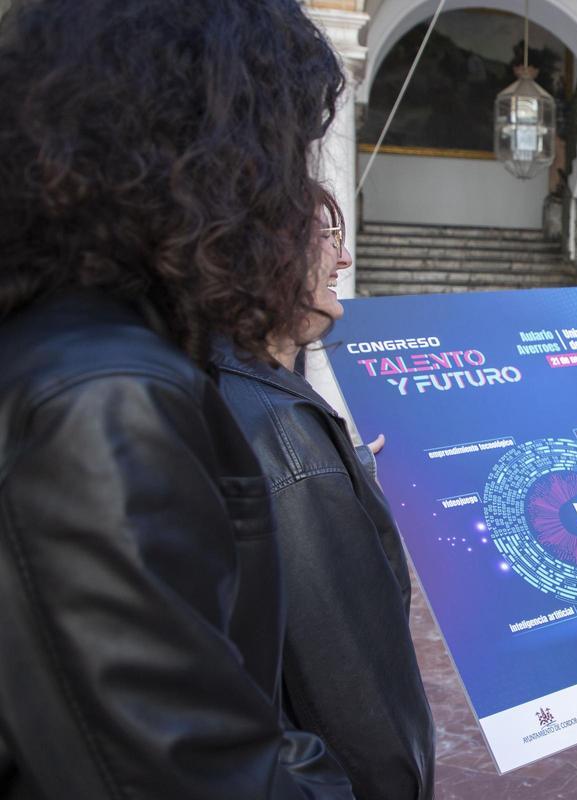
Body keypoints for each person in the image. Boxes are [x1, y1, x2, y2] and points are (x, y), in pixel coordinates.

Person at [0, 1, 356, 797]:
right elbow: (193, 768)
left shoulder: (70, 346)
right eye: (285, 152)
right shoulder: (108, 395)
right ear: (219, 160)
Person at [213, 189, 436, 800]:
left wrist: (347, 472)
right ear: (264, 252)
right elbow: (357, 694)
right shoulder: (284, 434)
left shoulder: (212, 380)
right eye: (327, 238)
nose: (343, 260)